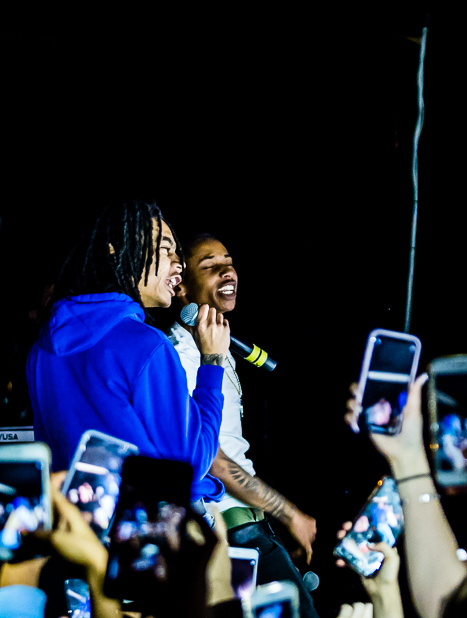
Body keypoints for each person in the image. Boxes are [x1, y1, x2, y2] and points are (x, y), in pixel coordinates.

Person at [26, 201, 230, 504]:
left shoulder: (41, 350)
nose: (179, 264)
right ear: (114, 249)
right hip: (141, 536)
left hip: (78, 532)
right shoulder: (147, 346)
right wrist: (212, 361)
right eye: (165, 249)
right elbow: (191, 464)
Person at [167, 233, 319, 618]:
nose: (227, 270)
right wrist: (290, 514)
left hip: (249, 526)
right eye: (210, 266)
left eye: (228, 261)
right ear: (182, 286)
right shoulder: (182, 355)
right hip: (231, 530)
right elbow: (212, 459)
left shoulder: (215, 347)